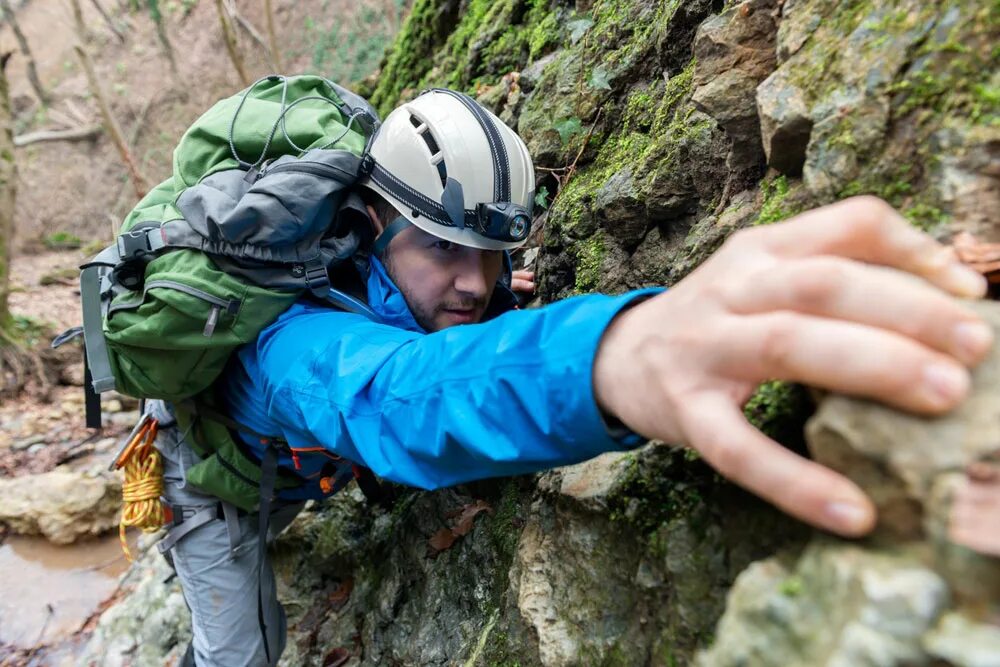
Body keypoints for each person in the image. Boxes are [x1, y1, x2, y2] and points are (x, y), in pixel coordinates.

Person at [153, 89, 993, 666]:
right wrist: (616, 355)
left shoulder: (428, 282)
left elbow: (423, 346)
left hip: (301, 461)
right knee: (243, 649)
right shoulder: (293, 343)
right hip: (220, 484)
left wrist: (469, 290)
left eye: (493, 252)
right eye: (444, 247)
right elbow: (391, 394)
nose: (476, 283)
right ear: (368, 222)